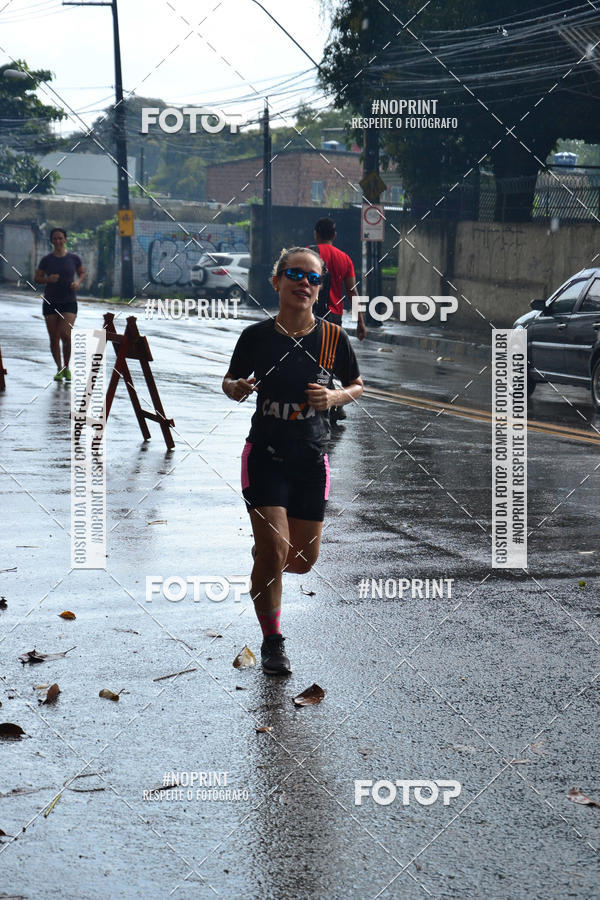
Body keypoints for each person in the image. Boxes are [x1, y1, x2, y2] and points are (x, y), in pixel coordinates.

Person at [222, 247, 364, 675]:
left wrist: (337, 395)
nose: (304, 282)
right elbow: (229, 380)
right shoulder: (256, 337)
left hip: (311, 459)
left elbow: (357, 384)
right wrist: (236, 388)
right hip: (264, 455)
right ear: (276, 282)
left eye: (313, 278)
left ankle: (266, 554)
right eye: (294, 274)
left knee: (301, 560)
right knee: (274, 549)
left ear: (320, 289)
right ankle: (273, 642)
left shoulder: (333, 338)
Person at [313, 216, 365, 423]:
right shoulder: (345, 258)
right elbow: (352, 292)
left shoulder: (309, 254)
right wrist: (360, 321)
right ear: (334, 235)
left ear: (316, 233)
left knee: (314, 359)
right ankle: (334, 404)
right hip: (335, 317)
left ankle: (334, 404)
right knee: (327, 359)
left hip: (313, 314)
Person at [34, 228, 85, 382]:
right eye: (55, 238)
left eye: (60, 238)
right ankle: (59, 368)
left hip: (69, 301)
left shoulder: (74, 258)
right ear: (51, 241)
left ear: (65, 239)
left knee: (65, 334)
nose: (58, 241)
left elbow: (82, 272)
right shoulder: (47, 260)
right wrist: (48, 279)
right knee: (54, 338)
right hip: (50, 302)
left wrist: (78, 282)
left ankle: (67, 366)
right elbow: (37, 278)